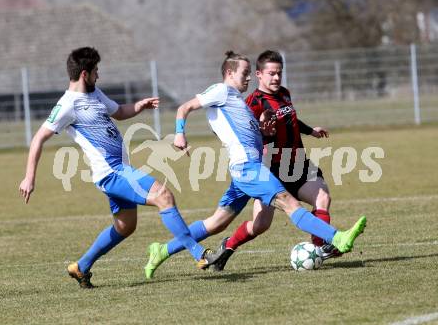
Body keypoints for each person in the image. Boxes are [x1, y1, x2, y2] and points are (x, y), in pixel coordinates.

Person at [144, 51, 366, 278]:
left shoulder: (237, 100)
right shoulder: (220, 91)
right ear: (230, 73)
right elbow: (184, 108)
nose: (249, 78)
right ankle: (337, 238)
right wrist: (179, 134)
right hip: (247, 169)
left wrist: (264, 132)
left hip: (246, 168)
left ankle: (161, 250)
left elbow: (244, 134)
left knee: (216, 223)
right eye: (245, 73)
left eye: (250, 73)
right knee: (288, 203)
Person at [18, 47, 218, 289]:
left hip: (119, 169)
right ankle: (200, 254)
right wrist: (29, 177)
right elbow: (38, 138)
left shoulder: (95, 94)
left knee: (125, 225)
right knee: (164, 196)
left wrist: (139, 106)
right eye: (95, 71)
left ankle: (81, 266)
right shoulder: (67, 105)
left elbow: (119, 112)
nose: (98, 76)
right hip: (111, 172)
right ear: (84, 74)